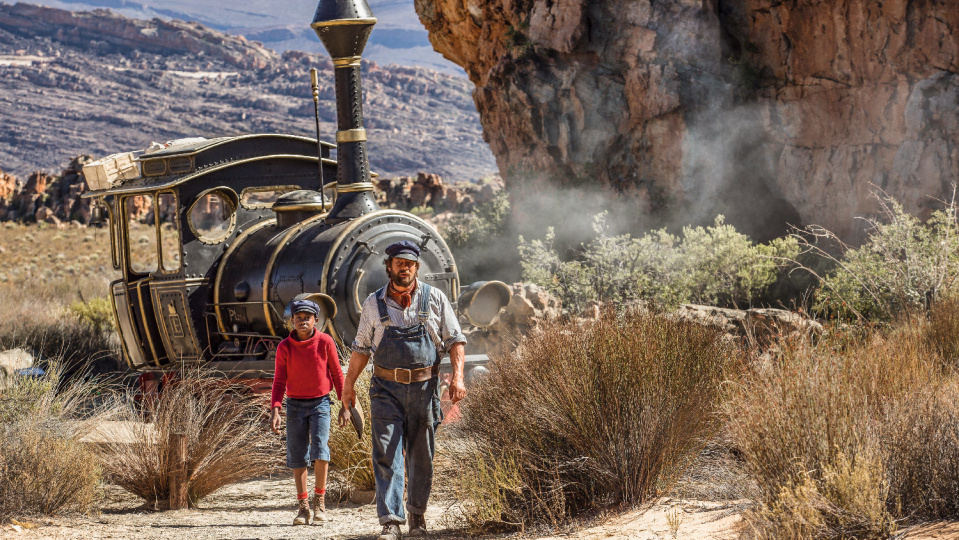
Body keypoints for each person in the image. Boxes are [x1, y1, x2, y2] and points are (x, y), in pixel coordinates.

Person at [340, 240, 467, 540]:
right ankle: (391, 522)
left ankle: (418, 519)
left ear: (416, 267)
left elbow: (455, 340)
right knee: (387, 454)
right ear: (389, 266)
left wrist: (458, 377)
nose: (404, 268)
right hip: (385, 389)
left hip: (425, 390)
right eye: (399, 263)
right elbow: (360, 349)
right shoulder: (373, 303)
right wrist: (348, 388)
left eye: (409, 263)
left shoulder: (435, 298)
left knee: (422, 456)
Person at [270, 299, 344, 526]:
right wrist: (275, 410)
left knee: (321, 450)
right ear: (292, 321)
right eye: (298, 318)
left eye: (307, 318)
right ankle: (303, 508)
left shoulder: (325, 342)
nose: (302, 321)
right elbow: (279, 380)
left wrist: (345, 405)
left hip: (321, 403)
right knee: (297, 455)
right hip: (294, 405)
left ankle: (319, 503)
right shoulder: (285, 347)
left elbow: (337, 374)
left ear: (316, 321)